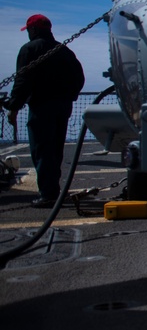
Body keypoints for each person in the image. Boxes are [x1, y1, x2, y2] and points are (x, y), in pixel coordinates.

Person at [3, 14, 85, 207]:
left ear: (33, 30)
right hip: (63, 107)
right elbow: (79, 78)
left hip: (41, 107)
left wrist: (13, 107)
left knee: (42, 150)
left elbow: (22, 81)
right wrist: (68, 97)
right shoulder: (64, 50)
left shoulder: (29, 50)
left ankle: (48, 194)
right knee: (55, 149)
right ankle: (53, 191)